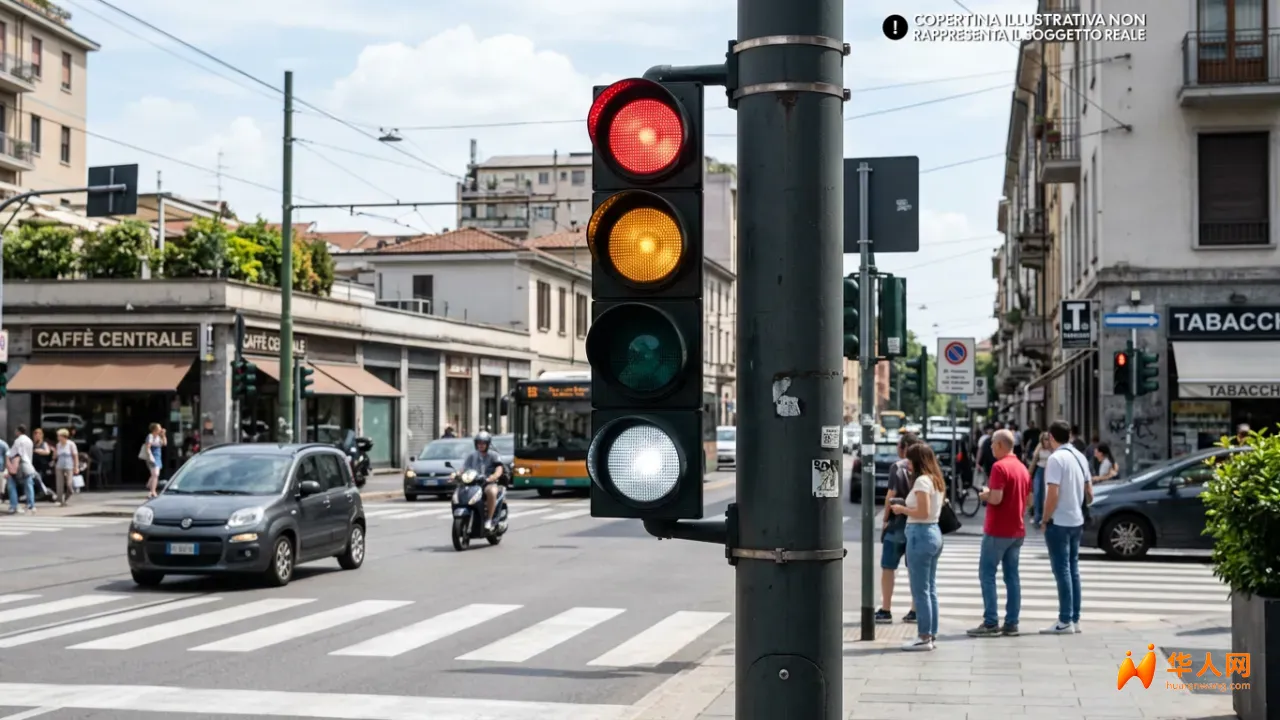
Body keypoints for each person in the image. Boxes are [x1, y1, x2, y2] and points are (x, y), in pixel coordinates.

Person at [968, 429, 1031, 637]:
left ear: (1001, 445)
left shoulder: (999, 467)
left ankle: (990, 622)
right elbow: (1029, 501)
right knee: (1012, 577)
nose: (991, 447)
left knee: (987, 574)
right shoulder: (1022, 468)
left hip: (998, 530)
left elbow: (996, 498)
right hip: (1017, 530)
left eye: (993, 444)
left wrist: (985, 495)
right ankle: (1012, 622)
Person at [889, 442, 947, 651]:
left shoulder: (922, 481)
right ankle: (930, 634)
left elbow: (922, 512)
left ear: (916, 461)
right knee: (930, 588)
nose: (907, 463)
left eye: (909, 459)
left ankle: (924, 637)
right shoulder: (936, 479)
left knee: (920, 589)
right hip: (932, 533)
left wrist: (902, 509)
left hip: (921, 534)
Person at [1039, 420, 1092, 635]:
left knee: (1062, 571)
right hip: (1076, 520)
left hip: (1059, 521)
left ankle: (1064, 620)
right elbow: (1090, 492)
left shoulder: (1055, 459)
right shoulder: (1080, 456)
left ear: (1051, 437)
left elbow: (1052, 493)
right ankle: (1075, 619)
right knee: (1073, 570)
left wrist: (1044, 519)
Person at [875, 432, 918, 625]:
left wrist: (885, 519)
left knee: (888, 567)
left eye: (899, 446)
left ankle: (886, 609)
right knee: (914, 569)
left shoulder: (898, 467)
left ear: (905, 447)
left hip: (897, 524)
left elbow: (890, 496)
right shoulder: (924, 467)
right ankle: (915, 610)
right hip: (916, 523)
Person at [456, 431, 505, 530]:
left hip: (487, 483)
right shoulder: (471, 456)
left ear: (488, 444)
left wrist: (494, 476)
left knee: (491, 491)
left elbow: (499, 468)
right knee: (458, 492)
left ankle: (489, 520)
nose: (481, 445)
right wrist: (456, 474)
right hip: (473, 483)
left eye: (483, 443)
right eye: (479, 443)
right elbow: (463, 469)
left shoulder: (493, 455)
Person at [7, 425, 38, 514]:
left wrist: (9, 458)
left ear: (18, 431)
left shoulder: (18, 441)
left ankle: (13, 505)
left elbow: (14, 453)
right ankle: (31, 505)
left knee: (12, 483)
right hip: (28, 465)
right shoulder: (29, 440)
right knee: (29, 485)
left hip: (19, 465)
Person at [1030, 433, 1052, 525]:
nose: (1046, 441)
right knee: (1037, 492)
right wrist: (1028, 474)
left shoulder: (1053, 448)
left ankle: (1045, 517)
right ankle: (1037, 516)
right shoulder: (1039, 447)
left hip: (1049, 471)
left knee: (1046, 494)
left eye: (1048, 439)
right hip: (1040, 470)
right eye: (1045, 439)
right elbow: (1034, 461)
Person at [54, 429, 79, 506]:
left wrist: (76, 466)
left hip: (69, 465)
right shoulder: (58, 445)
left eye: (59, 436)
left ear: (64, 437)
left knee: (69, 483)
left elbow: (75, 456)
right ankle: (60, 499)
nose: (58, 437)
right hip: (60, 465)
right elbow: (56, 456)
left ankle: (69, 493)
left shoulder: (71, 444)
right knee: (59, 483)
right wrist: (54, 454)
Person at [145, 424, 166, 498]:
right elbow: (147, 447)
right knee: (155, 474)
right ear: (154, 430)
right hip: (152, 456)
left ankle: (149, 485)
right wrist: (150, 456)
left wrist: (163, 435)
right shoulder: (150, 436)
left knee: (155, 474)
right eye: (159, 428)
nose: (161, 429)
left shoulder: (159, 437)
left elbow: (164, 444)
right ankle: (153, 491)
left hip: (158, 456)